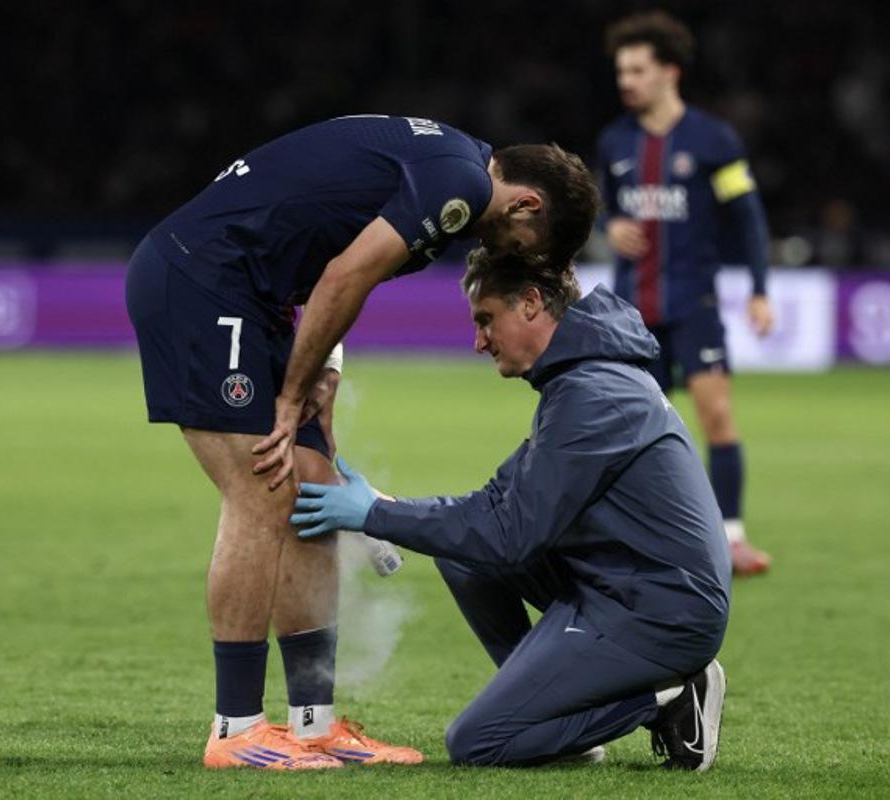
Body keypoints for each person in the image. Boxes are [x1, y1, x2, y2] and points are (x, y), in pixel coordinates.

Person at [125, 114, 599, 770]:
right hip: (204, 280)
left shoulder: (446, 171)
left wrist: (326, 369)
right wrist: (291, 396)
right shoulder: (457, 181)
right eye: (527, 243)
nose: (515, 256)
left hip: (259, 298)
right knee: (263, 491)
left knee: (315, 487)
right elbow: (345, 276)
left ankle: (313, 724)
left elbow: (335, 260)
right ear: (527, 202)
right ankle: (235, 730)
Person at [292, 251, 731, 769]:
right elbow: (493, 506)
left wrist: (374, 516)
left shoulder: (593, 395)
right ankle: (560, 722)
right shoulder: (582, 380)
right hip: (626, 581)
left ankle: (671, 698)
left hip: (663, 611)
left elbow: (507, 535)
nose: (478, 342)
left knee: (479, 743)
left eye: (485, 319)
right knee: (463, 557)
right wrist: (388, 507)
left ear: (530, 304)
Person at [597, 12, 773, 576]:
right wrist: (608, 230)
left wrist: (760, 289)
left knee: (716, 417)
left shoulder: (712, 140)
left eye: (637, 69)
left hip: (694, 305)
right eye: (621, 70)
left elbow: (747, 219)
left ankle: (733, 538)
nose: (626, 80)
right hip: (633, 317)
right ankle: (642, 541)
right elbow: (602, 212)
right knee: (632, 434)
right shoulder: (614, 142)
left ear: (669, 72)